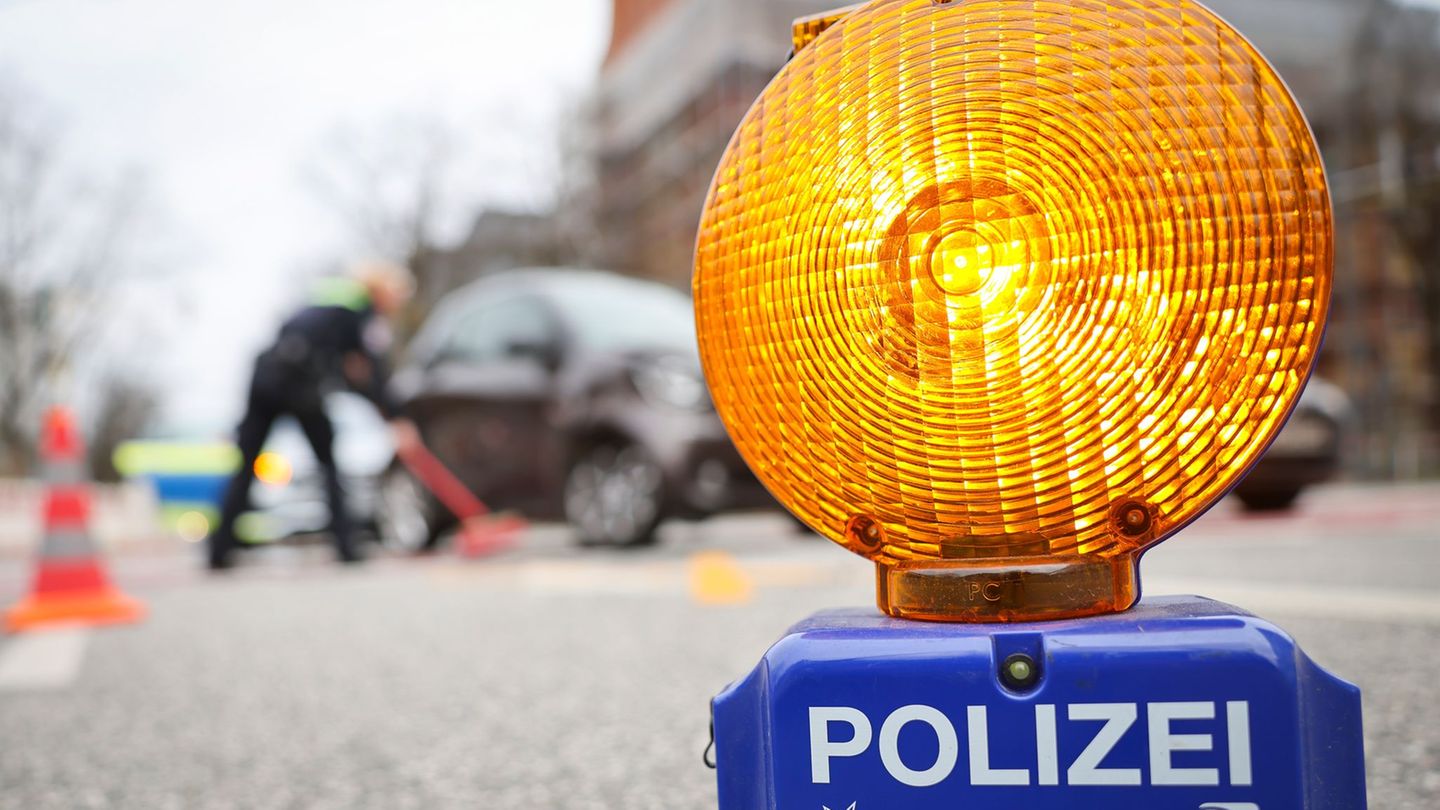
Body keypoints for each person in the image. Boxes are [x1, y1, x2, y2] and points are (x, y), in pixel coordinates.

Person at [209, 261, 420, 570]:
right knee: (328, 464)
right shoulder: (360, 310)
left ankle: (218, 552)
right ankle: (347, 549)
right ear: (381, 289)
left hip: (265, 376)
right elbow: (371, 370)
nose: (397, 304)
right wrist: (396, 418)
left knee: (245, 466)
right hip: (300, 386)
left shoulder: (328, 296)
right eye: (396, 295)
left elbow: (348, 368)